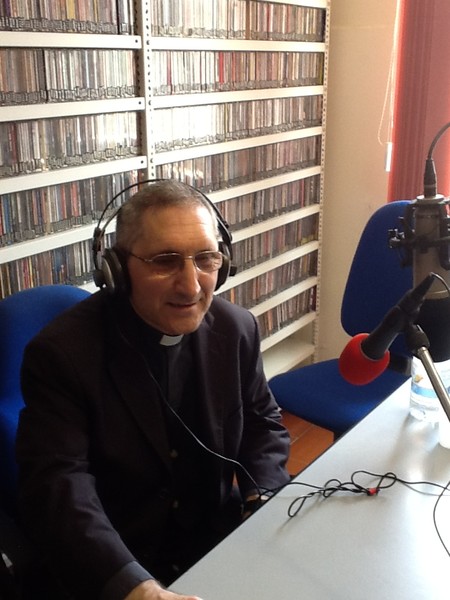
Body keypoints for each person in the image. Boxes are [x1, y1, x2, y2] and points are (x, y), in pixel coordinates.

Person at [15, 180, 291, 600]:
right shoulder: (61, 354)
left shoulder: (237, 329)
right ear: (116, 270)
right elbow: (60, 482)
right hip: (113, 562)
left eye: (206, 259)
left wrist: (262, 496)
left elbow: (261, 421)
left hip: (211, 544)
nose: (192, 286)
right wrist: (136, 587)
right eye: (165, 261)